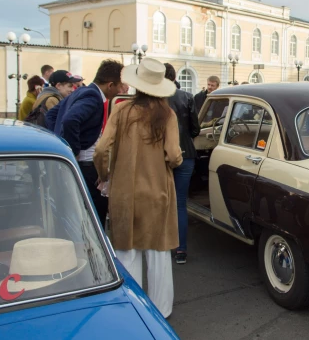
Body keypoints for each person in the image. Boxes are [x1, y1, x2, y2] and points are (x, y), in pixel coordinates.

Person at [94, 57, 182, 318]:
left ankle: (131, 309)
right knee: (158, 253)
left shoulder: (120, 110)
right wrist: (173, 160)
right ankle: (161, 311)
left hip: (124, 190)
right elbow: (174, 155)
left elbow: (100, 149)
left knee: (127, 250)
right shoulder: (167, 114)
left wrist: (105, 174)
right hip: (157, 190)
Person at [46, 59, 124, 227]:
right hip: (87, 164)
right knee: (96, 215)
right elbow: (70, 120)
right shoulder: (93, 97)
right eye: (120, 86)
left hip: (83, 163)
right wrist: (73, 150)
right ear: (110, 85)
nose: (121, 90)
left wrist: (60, 140)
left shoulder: (80, 91)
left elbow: (52, 115)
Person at [164, 63, 200, 265]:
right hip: (186, 154)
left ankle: (162, 245)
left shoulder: (155, 99)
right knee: (180, 203)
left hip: (162, 156)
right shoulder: (186, 96)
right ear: (175, 76)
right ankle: (181, 250)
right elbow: (195, 128)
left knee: (162, 201)